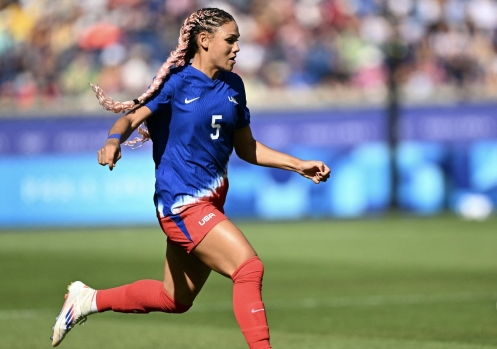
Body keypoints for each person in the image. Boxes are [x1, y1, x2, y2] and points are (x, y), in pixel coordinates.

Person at [50, 8, 331, 349]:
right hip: (180, 202)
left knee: (174, 299)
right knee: (248, 269)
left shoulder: (234, 86)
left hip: (210, 201)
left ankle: (86, 300)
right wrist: (113, 141)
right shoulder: (178, 82)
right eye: (231, 40)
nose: (237, 48)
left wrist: (297, 165)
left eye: (238, 41)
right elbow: (129, 118)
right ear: (204, 40)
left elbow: (246, 147)